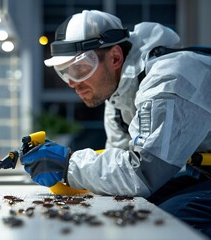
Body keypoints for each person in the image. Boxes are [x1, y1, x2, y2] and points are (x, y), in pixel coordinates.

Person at [21, 10, 211, 237]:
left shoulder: (169, 79)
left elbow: (143, 174)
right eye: (64, 72)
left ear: (115, 57)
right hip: (203, 172)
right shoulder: (119, 95)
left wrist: (67, 165)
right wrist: (68, 173)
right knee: (133, 209)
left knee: (168, 221)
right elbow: (120, 172)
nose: (73, 82)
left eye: (80, 68)